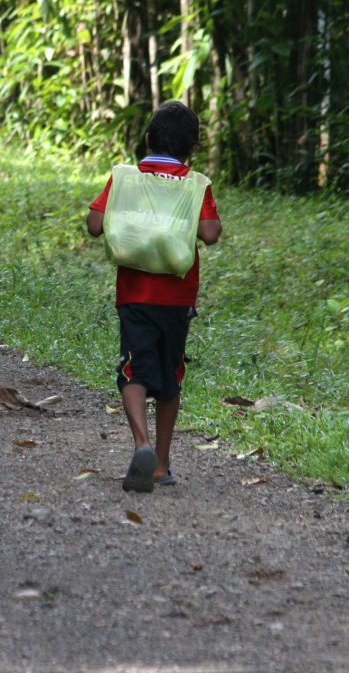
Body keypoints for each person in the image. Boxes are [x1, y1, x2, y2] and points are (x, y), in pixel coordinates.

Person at [86, 101, 222, 493]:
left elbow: (95, 225)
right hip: (178, 299)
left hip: (134, 295)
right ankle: (161, 465)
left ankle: (141, 444)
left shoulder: (126, 178)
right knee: (170, 376)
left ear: (147, 140)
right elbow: (210, 234)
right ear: (192, 148)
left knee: (133, 370)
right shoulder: (196, 184)